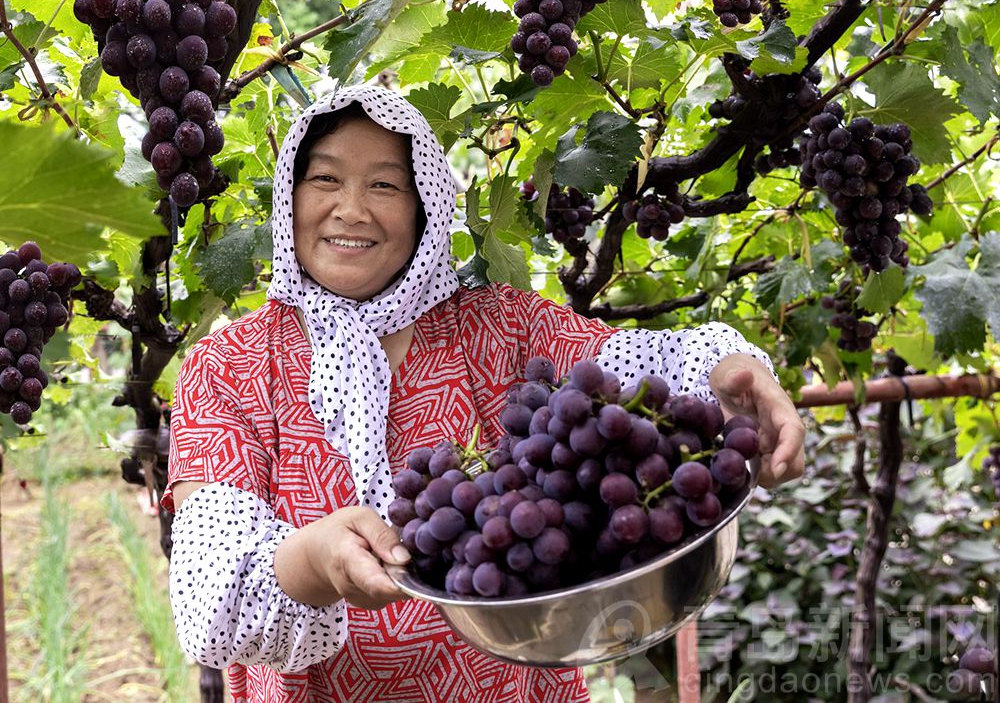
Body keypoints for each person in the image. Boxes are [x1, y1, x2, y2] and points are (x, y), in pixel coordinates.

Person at [163, 84, 805, 702]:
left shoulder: (502, 325)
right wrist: (309, 562)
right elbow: (210, 598)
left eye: (385, 184)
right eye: (325, 179)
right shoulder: (231, 365)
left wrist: (729, 372)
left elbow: (641, 376)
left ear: (425, 209)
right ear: (289, 198)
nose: (351, 209)